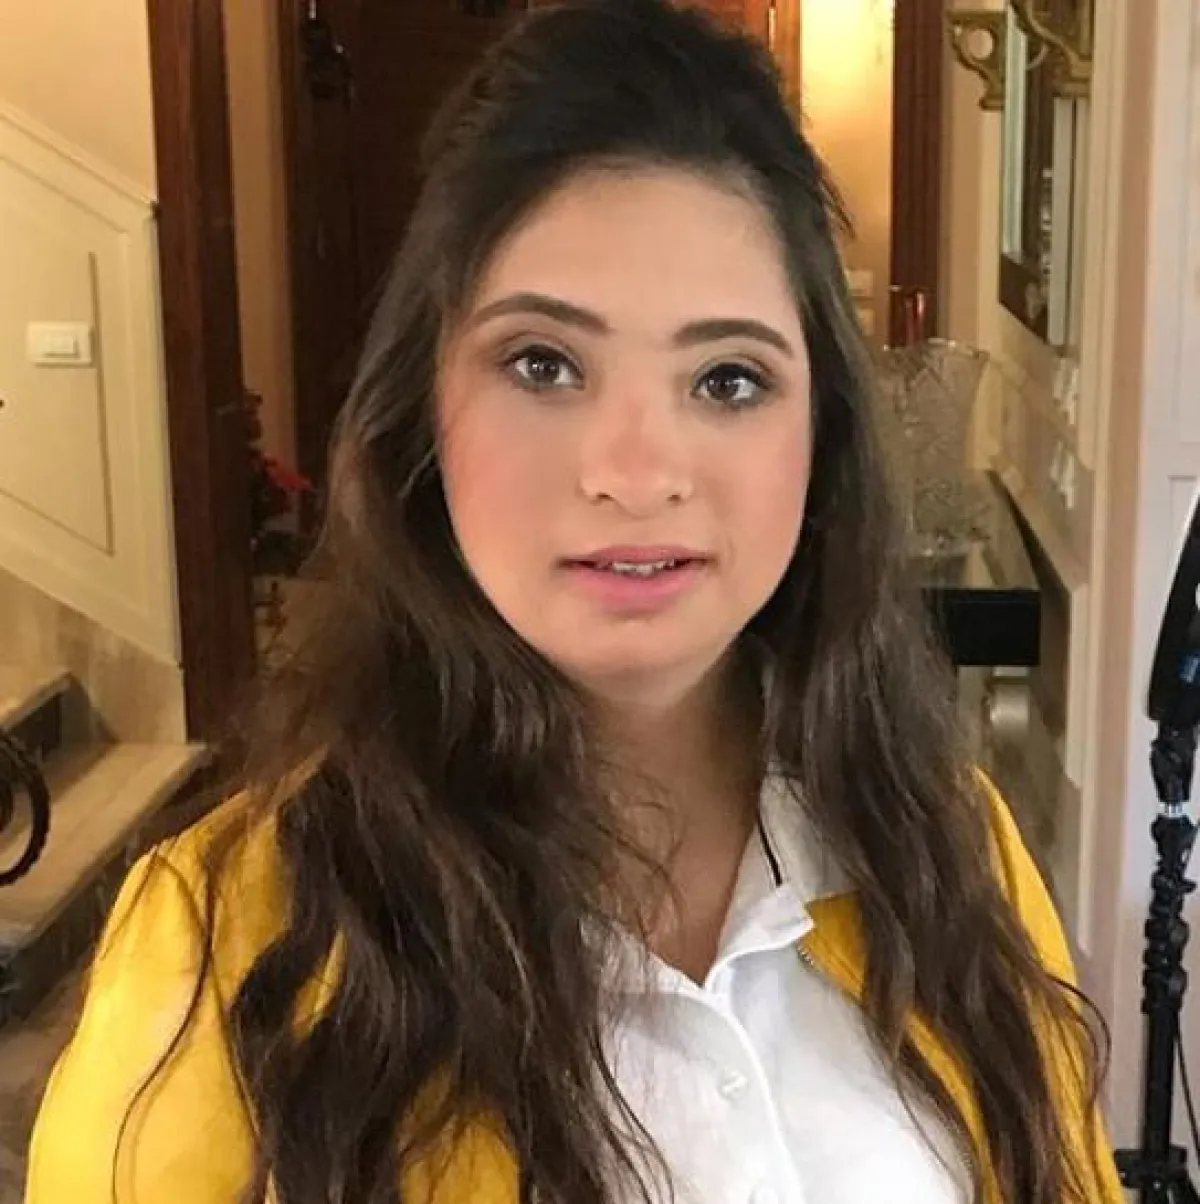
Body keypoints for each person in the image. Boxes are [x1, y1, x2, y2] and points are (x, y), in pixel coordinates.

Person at [27, 1, 1123, 1201]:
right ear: (423, 414)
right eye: (543, 364)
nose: (635, 471)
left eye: (727, 378)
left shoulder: (949, 844)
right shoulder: (220, 942)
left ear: (823, 441)